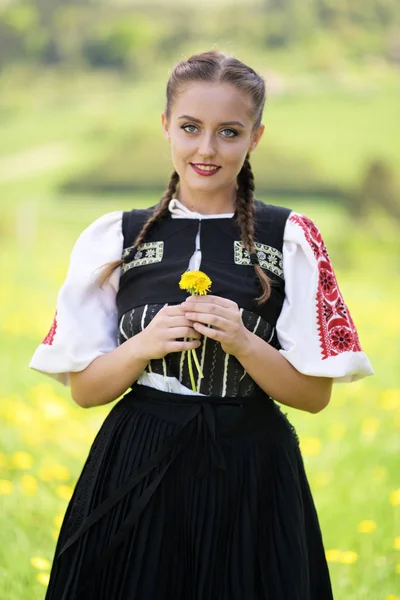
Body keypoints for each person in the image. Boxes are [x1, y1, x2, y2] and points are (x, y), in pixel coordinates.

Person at [30, 51, 373, 600]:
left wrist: (241, 340)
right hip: (137, 458)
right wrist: (143, 345)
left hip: (252, 466)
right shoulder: (116, 238)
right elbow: (85, 392)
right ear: (166, 126)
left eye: (229, 132)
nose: (207, 149)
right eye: (190, 128)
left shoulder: (290, 237)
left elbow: (313, 397)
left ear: (255, 137)